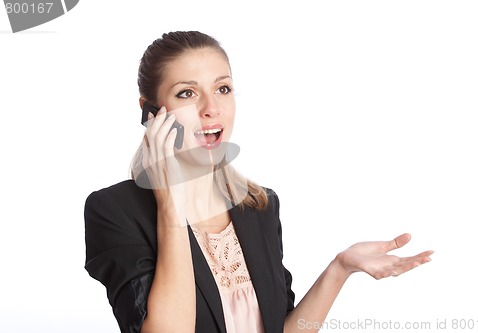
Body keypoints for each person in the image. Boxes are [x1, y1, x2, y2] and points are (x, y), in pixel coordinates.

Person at [84, 31, 433, 333]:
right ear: (150, 112)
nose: (211, 108)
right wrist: (170, 203)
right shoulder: (113, 211)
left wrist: (340, 268)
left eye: (223, 88)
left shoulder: (259, 204)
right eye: (187, 94)